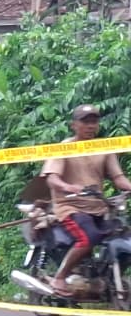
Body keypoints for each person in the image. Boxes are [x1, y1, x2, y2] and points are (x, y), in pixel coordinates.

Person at [40, 104, 131, 296]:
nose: (90, 126)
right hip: (70, 207)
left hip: (98, 207)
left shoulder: (103, 148)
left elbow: (118, 178)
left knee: (122, 234)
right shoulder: (65, 147)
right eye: (85, 122)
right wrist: (68, 187)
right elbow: (52, 178)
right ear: (74, 125)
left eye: (94, 122)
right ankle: (60, 277)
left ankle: (102, 277)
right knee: (88, 237)